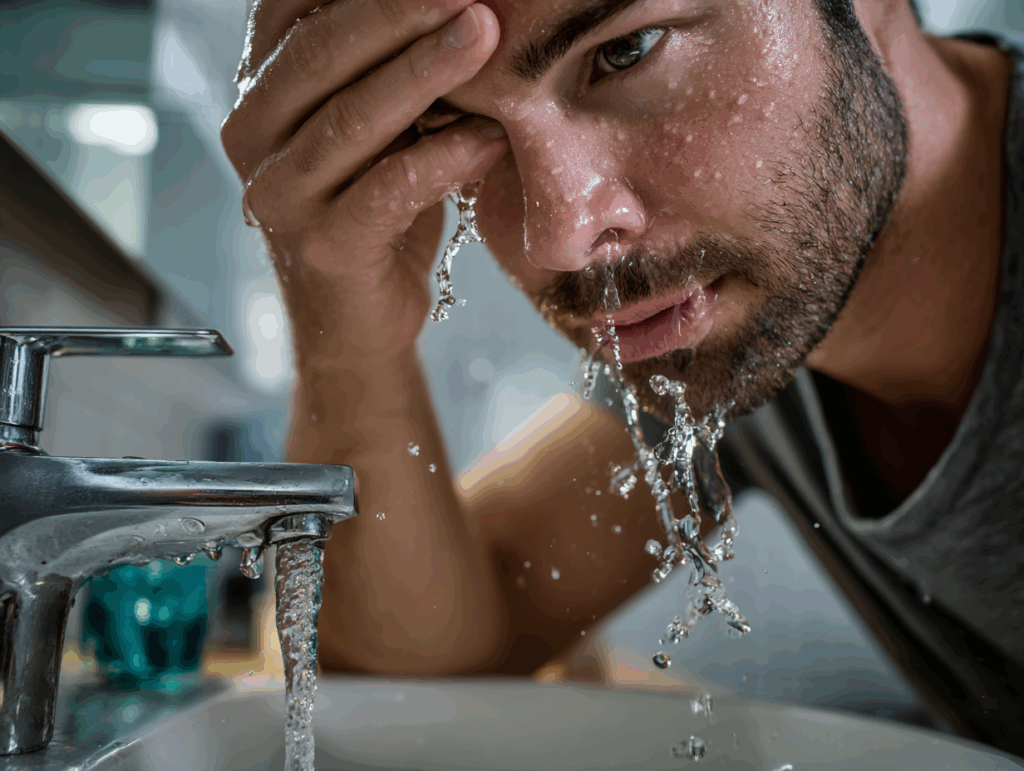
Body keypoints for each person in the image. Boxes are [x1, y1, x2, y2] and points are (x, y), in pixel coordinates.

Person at [220, 0, 1023, 754]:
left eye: (624, 52)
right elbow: (413, 668)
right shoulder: (746, 310)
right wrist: (342, 322)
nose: (561, 235)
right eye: (460, 125)